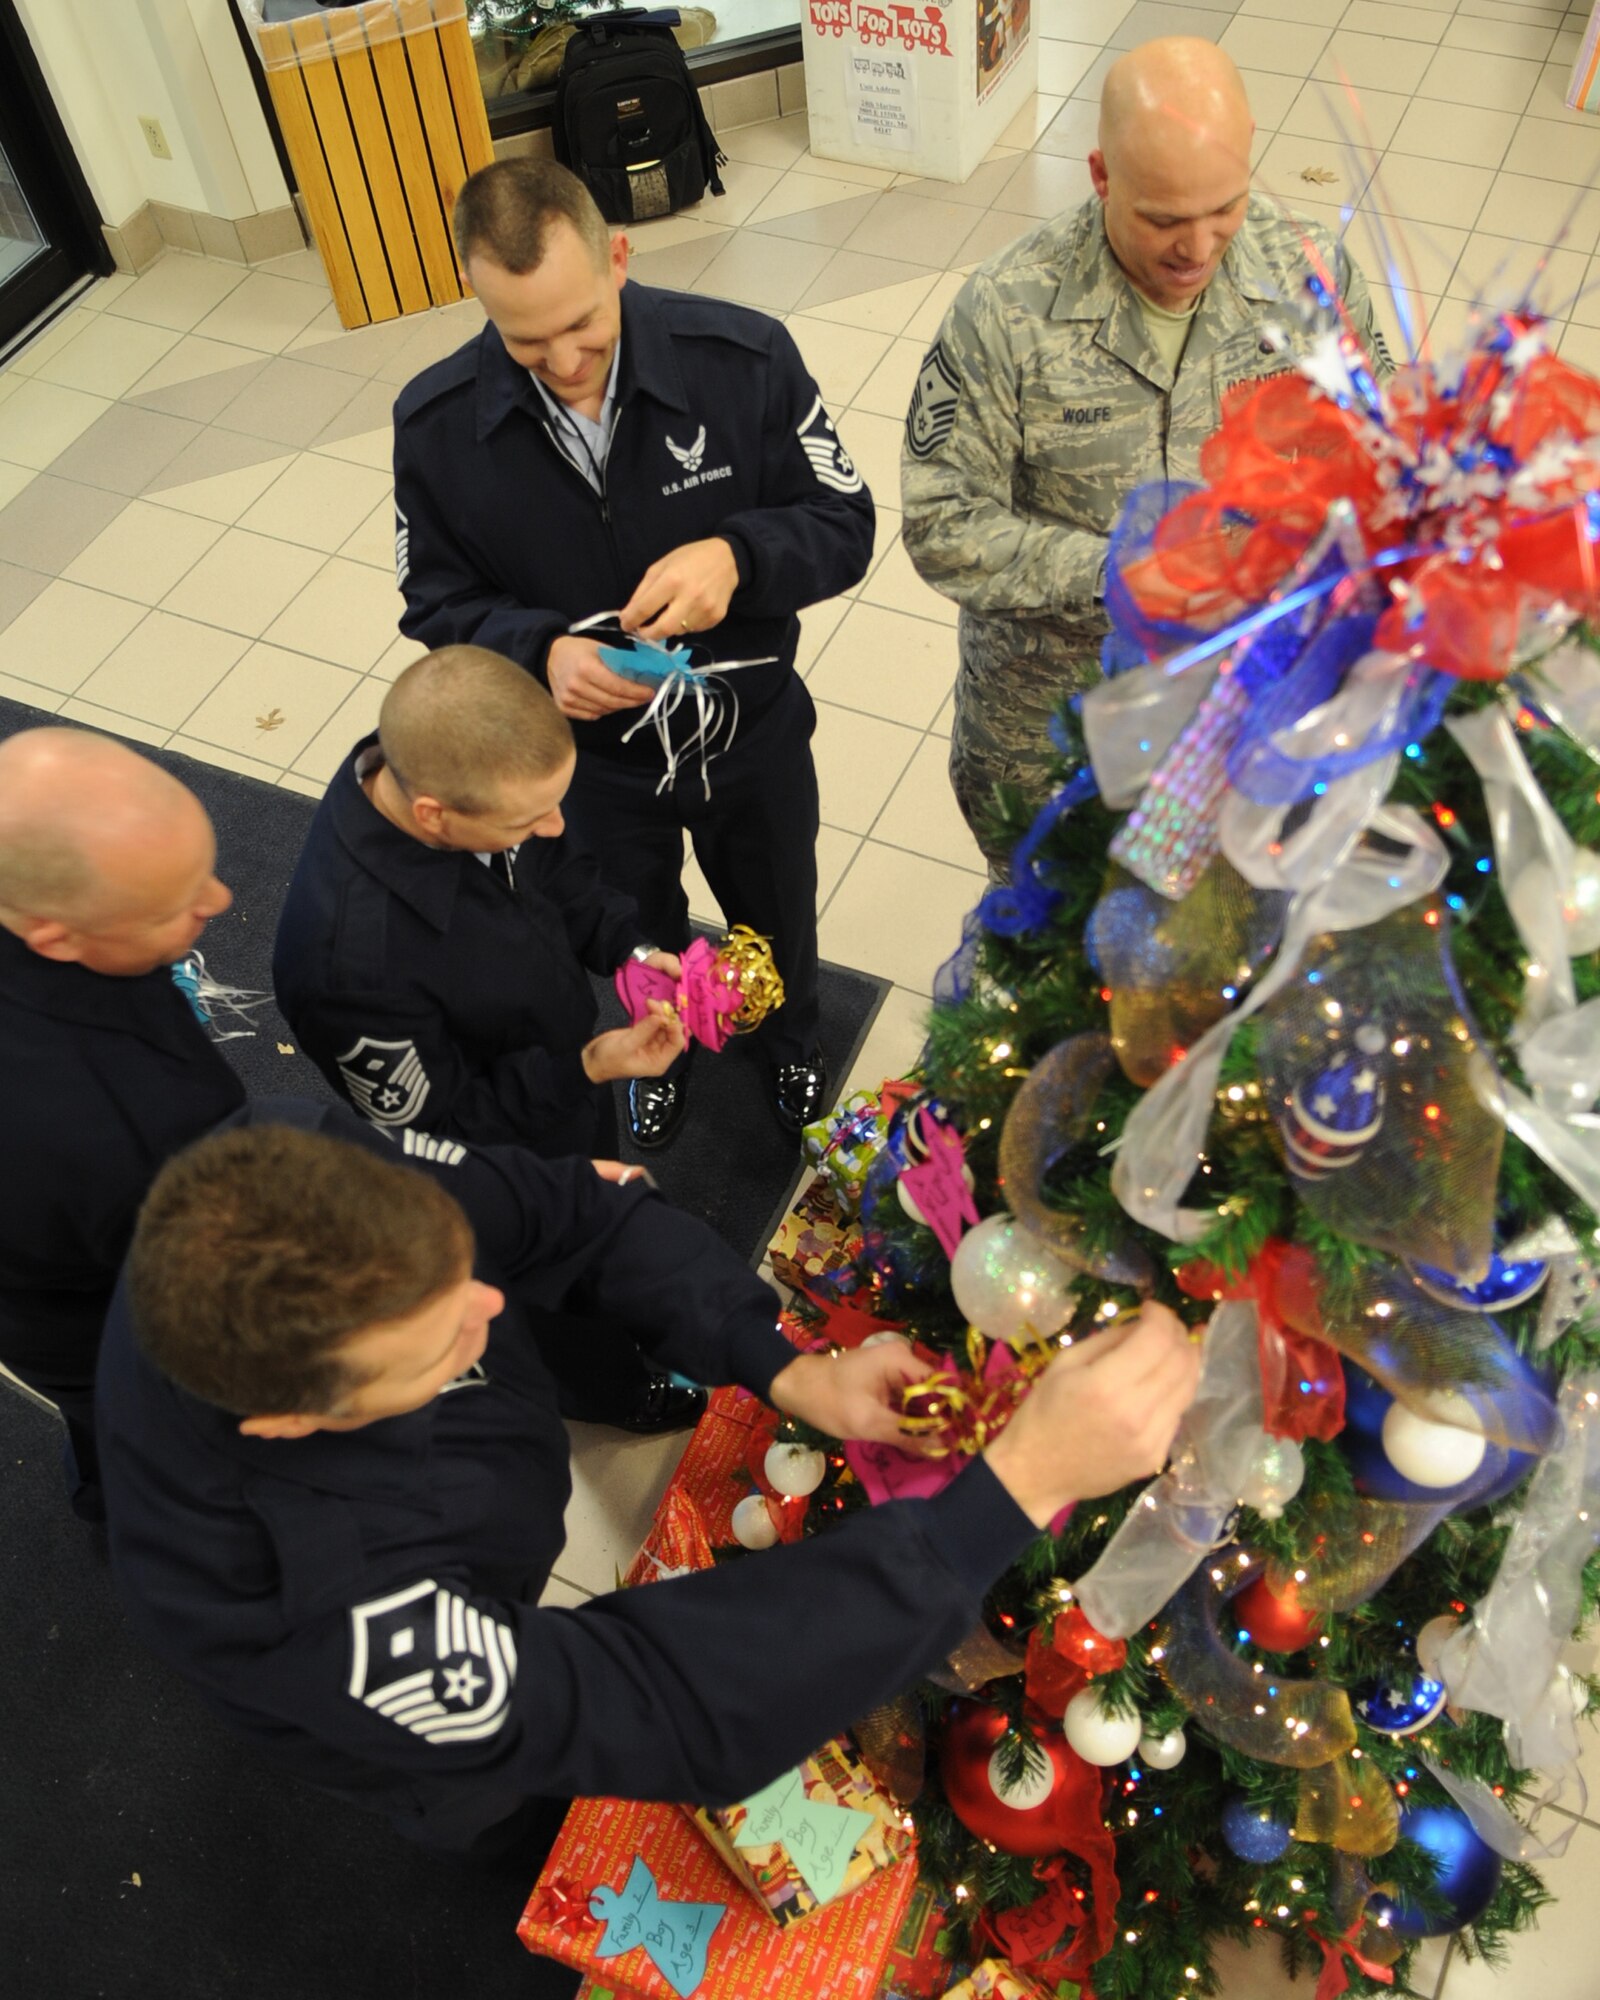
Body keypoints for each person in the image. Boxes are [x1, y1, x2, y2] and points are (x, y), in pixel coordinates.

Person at [97, 1096, 1202, 1854]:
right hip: (430, 1723)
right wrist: (1010, 1491)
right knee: (479, 1789)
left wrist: (786, 1368)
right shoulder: (319, 1606)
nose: (491, 1310)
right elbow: (657, 1699)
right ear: (295, 1419)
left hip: (481, 1505)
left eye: (464, 1272)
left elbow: (574, 1212)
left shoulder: (302, 1180)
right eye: (438, 1347)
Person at [393, 158, 876, 1148]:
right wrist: (540, 651)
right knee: (630, 929)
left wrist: (739, 556)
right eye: (527, 341)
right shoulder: (437, 428)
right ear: (478, 299)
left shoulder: (742, 358)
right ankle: (666, 1052)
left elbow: (845, 523)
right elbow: (434, 600)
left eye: (584, 324)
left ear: (618, 256)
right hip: (591, 768)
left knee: (776, 910)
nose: (567, 361)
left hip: (750, 737)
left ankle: (790, 1039)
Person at [900, 36, 1393, 869]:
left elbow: (1377, 439)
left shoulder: (1307, 274)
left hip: (1249, 705)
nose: (1197, 248)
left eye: (1224, 208)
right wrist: (1121, 573)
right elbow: (942, 523)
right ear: (1100, 175)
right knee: (1049, 922)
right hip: (1057, 723)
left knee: (1226, 919)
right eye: (1163, 219)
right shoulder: (1007, 311)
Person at [272, 645, 684, 1163]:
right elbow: (440, 1129)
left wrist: (627, 947)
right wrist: (587, 1067)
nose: (555, 826)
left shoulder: (451, 766)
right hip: (510, 1157)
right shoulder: (349, 972)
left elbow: (554, 869)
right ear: (433, 816)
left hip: (562, 1066)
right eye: (526, 821)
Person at [0, 727, 239, 1519]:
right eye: (174, 907)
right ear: (55, 935)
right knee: (158, 1433)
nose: (220, 901)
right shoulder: (132, 1124)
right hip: (96, 1315)